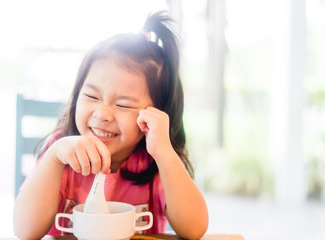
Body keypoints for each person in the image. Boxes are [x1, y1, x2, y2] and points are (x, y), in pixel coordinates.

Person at [13, 11, 208, 239]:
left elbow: (195, 229)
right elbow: (25, 231)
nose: (102, 113)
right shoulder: (60, 151)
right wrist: (55, 157)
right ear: (77, 96)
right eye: (92, 97)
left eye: (123, 105)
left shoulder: (154, 161)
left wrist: (164, 152)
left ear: (154, 115)